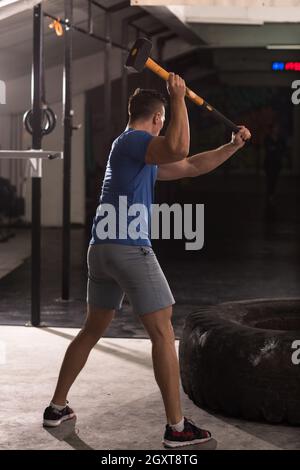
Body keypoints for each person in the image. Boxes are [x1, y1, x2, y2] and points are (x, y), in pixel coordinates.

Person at [43, 73, 251, 448]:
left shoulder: (133, 150)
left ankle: (57, 407)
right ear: (157, 119)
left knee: (92, 329)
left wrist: (231, 147)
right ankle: (177, 428)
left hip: (101, 249)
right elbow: (178, 148)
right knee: (162, 331)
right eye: (163, 120)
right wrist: (179, 98)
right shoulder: (138, 142)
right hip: (127, 248)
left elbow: (189, 165)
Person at [264, 123, 286, 204]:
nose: (275, 129)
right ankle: (269, 194)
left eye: (277, 128)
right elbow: (268, 148)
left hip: (277, 162)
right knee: (269, 179)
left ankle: (272, 194)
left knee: (275, 179)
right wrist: (276, 149)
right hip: (269, 162)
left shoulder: (281, 138)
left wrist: (275, 149)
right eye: (274, 128)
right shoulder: (268, 138)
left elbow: (283, 149)